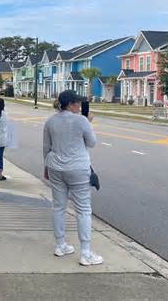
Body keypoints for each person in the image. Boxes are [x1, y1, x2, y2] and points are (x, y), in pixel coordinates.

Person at [43, 90, 102, 267]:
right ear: (70, 104)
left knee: (58, 207)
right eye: (77, 102)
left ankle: (60, 245)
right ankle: (85, 252)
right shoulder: (81, 120)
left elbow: (46, 147)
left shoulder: (50, 121)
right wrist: (88, 122)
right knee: (83, 209)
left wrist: (46, 167)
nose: (79, 105)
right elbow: (92, 143)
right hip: (77, 168)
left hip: (55, 166)